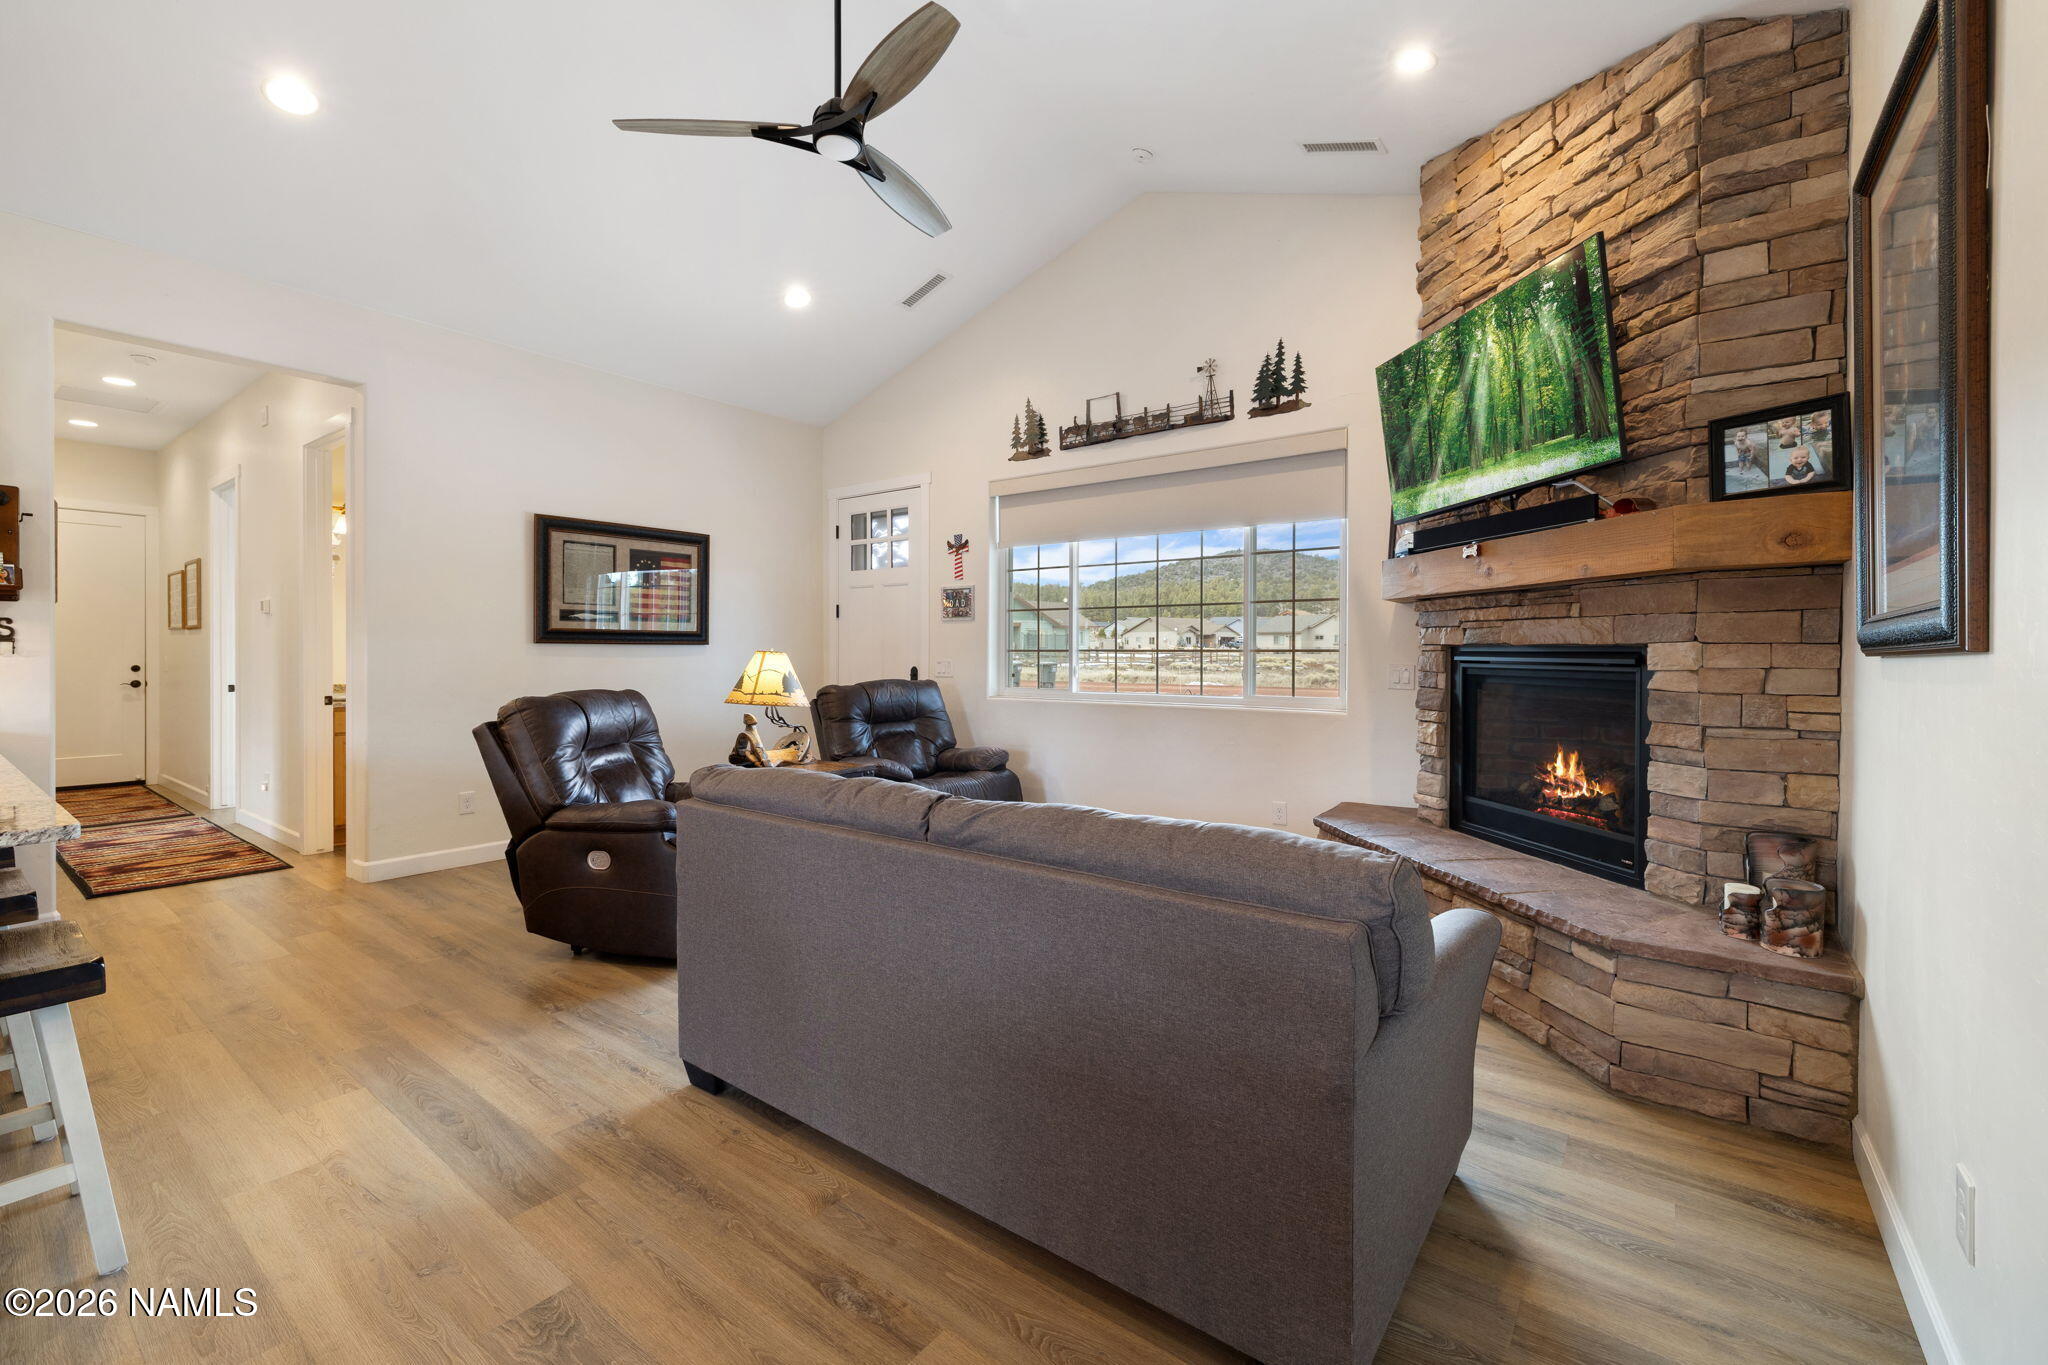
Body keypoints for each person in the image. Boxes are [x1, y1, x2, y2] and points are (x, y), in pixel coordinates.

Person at [1726, 428, 1770, 493]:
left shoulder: (1748, 443)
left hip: (1748, 452)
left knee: (1747, 462)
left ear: (1746, 437)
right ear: (1736, 437)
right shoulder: (1736, 443)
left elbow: (1752, 450)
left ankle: (1748, 470)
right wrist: (1738, 453)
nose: (1740, 438)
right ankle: (1741, 470)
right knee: (1740, 462)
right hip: (1742, 452)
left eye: (1742, 436)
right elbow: (1737, 449)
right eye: (1738, 436)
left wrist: (1751, 456)